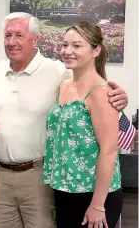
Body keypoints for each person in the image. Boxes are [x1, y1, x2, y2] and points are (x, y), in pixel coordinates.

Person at [0, 12, 128, 228]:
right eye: (7, 35)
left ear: (35, 39)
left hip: (62, 182)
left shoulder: (59, 72)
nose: (12, 42)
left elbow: (108, 149)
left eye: (19, 35)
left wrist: (120, 98)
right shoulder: (0, 73)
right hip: (56, 185)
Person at [42, 21, 123, 228]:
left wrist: (97, 205)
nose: (67, 51)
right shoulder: (64, 84)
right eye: (64, 45)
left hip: (93, 193)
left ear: (96, 50)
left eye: (77, 46)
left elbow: (109, 151)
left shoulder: (101, 92)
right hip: (66, 189)